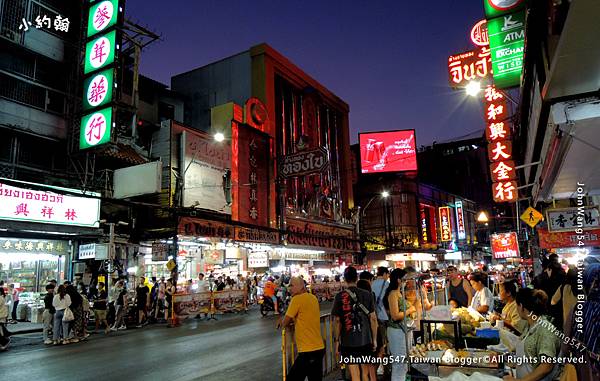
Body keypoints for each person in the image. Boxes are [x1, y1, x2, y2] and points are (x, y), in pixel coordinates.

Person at [503, 288, 561, 381]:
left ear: (521, 306)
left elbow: (546, 366)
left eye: (517, 305)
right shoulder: (530, 326)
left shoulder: (545, 330)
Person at [332, 266, 377, 381]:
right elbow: (373, 318)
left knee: (354, 375)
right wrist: (374, 339)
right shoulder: (367, 294)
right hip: (365, 340)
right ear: (357, 278)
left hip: (348, 342)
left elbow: (337, 321)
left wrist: (337, 341)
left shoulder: (339, 296)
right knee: (365, 373)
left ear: (345, 279)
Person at [278, 277, 325, 381]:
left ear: (301, 286)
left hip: (308, 350)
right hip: (319, 347)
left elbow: (285, 322)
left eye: (292, 285)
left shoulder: (297, 299)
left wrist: (281, 320)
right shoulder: (313, 298)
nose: (289, 288)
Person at [383, 268, 415, 381]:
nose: (406, 281)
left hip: (403, 331)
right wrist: (410, 310)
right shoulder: (393, 294)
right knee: (399, 364)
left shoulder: (398, 292)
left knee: (404, 364)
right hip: (397, 332)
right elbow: (395, 315)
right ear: (398, 280)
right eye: (404, 279)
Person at [356, 279, 377, 381]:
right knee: (371, 367)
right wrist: (375, 339)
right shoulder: (370, 297)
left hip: (360, 337)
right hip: (371, 334)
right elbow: (373, 319)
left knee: (363, 370)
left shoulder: (355, 301)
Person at [551, 267, 579, 333]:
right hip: (580, 324)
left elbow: (553, 302)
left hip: (567, 325)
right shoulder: (583, 288)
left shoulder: (563, 287)